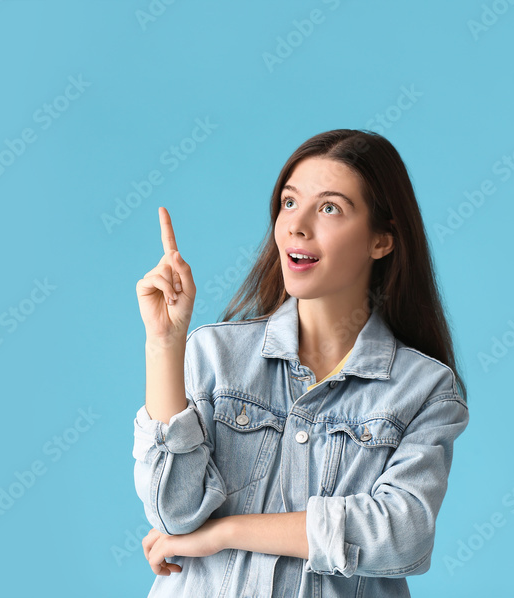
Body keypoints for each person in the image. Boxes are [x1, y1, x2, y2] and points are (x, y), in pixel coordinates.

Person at [131, 129, 470, 597]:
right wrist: (164, 344)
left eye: (329, 208)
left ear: (382, 240)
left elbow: (402, 536)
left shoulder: (425, 389)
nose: (297, 225)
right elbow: (174, 514)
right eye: (289, 203)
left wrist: (225, 532)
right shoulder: (214, 354)